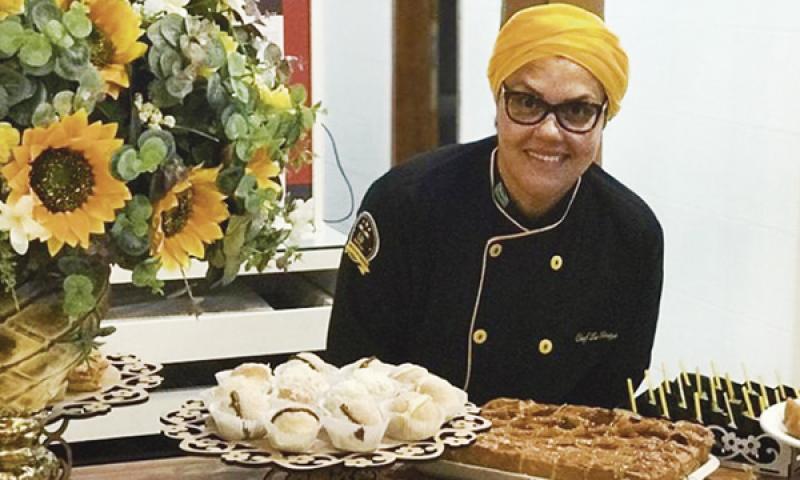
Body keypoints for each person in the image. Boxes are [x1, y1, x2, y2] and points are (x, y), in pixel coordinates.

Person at [325, 3, 663, 409]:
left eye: (577, 110)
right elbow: (351, 380)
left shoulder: (631, 235)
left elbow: (612, 409)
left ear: (604, 119)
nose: (549, 132)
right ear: (498, 103)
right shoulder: (405, 204)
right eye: (526, 103)